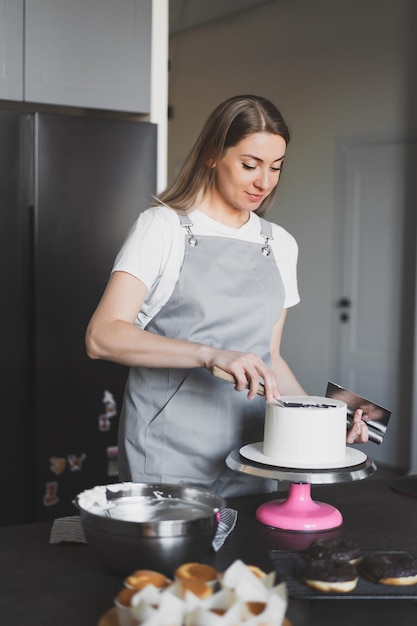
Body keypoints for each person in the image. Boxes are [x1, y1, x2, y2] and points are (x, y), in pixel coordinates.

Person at [85, 95, 368, 497]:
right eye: (250, 165)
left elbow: (271, 357)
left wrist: (323, 423)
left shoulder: (280, 244)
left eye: (276, 167)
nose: (264, 182)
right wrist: (210, 353)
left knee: (252, 560)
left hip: (257, 448)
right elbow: (102, 336)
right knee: (175, 562)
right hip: (169, 451)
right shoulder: (162, 227)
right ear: (213, 156)